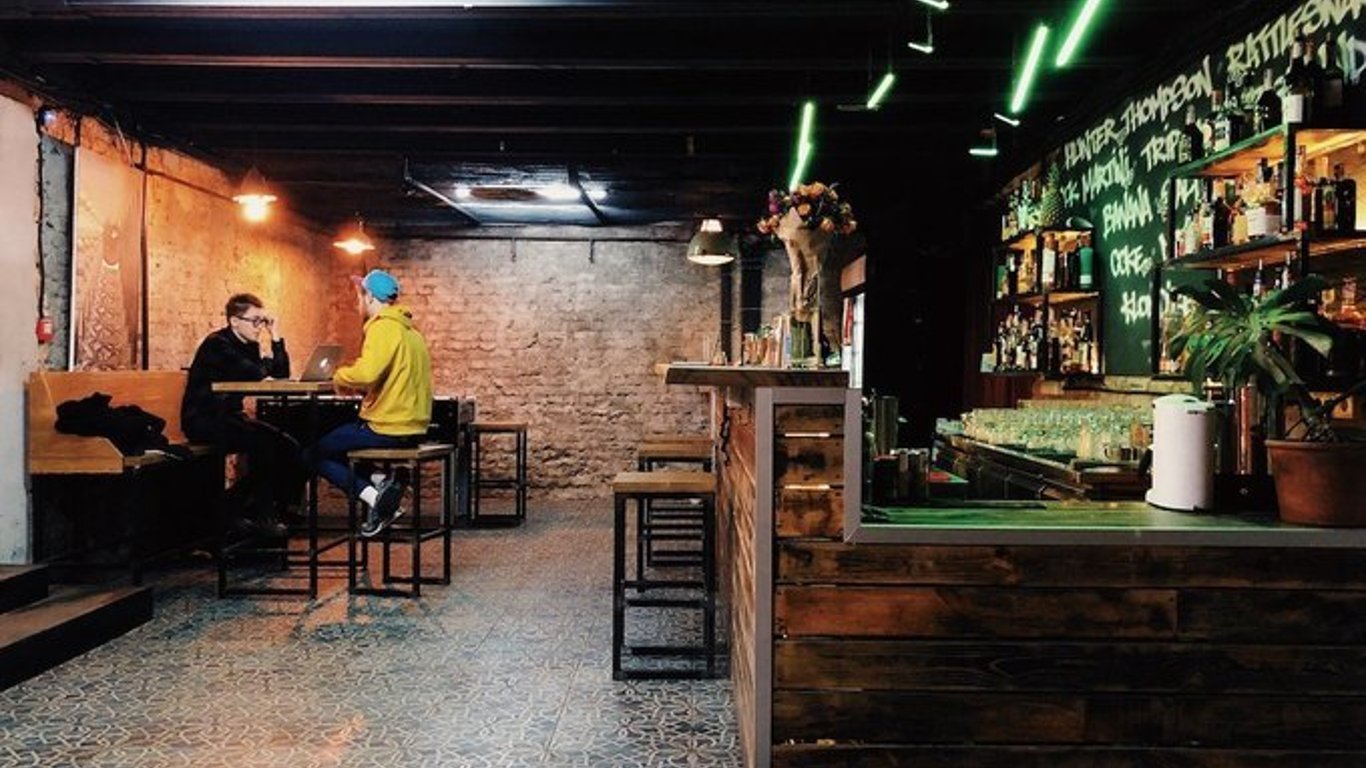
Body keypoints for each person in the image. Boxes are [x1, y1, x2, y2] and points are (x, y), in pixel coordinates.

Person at [309, 269, 433, 536]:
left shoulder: (382, 327)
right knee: (343, 444)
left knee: (315, 452)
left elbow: (367, 373)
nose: (358, 302)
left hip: (388, 426)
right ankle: (382, 482)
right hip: (413, 427)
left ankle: (375, 499)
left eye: (360, 295)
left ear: (370, 297)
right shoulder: (411, 332)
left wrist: (339, 376)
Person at [182, 293, 304, 538]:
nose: (259, 327)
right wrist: (264, 368)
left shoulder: (248, 345)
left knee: (289, 446)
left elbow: (280, 374)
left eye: (263, 321)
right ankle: (257, 514)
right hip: (203, 420)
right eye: (255, 321)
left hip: (230, 418)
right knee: (264, 446)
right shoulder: (217, 344)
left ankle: (241, 507)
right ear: (234, 321)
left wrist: (275, 335)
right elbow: (257, 374)